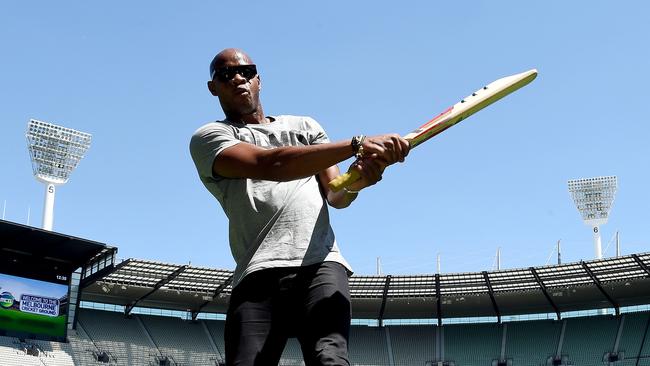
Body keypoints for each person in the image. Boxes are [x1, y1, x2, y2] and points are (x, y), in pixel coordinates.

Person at [189, 48, 409, 366]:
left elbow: (337, 194)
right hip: (258, 272)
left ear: (258, 80)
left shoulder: (305, 125)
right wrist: (357, 144)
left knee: (330, 359)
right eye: (225, 74)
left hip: (321, 263)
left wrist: (362, 176)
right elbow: (272, 164)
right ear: (213, 88)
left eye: (246, 71)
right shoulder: (210, 136)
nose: (238, 78)